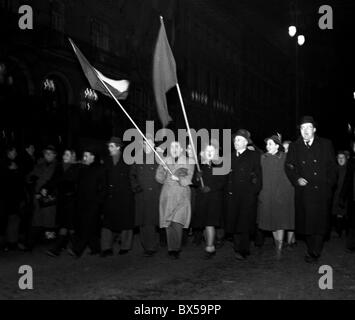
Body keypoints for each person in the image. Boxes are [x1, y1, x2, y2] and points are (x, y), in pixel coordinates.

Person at [285, 116, 337, 263]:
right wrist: (296, 179)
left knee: (319, 224)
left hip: (321, 191)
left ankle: (315, 251)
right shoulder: (295, 146)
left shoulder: (326, 144)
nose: (305, 131)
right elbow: (289, 166)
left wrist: (328, 185)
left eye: (308, 127)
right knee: (307, 224)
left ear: (314, 129)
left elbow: (333, 168)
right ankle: (311, 248)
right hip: (304, 192)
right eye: (302, 128)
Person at [225, 129, 262, 260]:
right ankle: (236, 246)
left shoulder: (254, 156)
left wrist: (253, 192)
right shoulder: (229, 156)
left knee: (245, 223)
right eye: (235, 140)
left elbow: (258, 176)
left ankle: (244, 249)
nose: (236, 142)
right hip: (232, 195)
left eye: (239, 140)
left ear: (246, 142)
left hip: (247, 196)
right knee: (234, 221)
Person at [257, 135, 295, 259]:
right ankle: (277, 243)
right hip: (267, 194)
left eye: (270, 144)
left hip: (282, 193)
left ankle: (279, 249)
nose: (268, 146)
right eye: (267, 144)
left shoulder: (285, 158)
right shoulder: (263, 158)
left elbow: (291, 174)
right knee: (271, 222)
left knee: (281, 221)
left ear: (277, 146)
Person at [155, 141, 195, 259]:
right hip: (167, 194)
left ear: (181, 150)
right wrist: (162, 171)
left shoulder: (188, 161)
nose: (174, 149)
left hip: (181, 194)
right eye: (172, 147)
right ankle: (171, 248)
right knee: (169, 223)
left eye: (177, 147)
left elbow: (189, 179)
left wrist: (178, 178)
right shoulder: (165, 160)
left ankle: (176, 248)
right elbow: (159, 179)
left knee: (178, 221)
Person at [101, 137, 134, 257]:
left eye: (111, 146)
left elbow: (132, 177)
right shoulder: (106, 160)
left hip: (124, 195)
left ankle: (125, 246)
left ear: (118, 147)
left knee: (126, 221)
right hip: (109, 196)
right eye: (109, 146)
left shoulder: (128, 160)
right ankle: (106, 247)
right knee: (107, 223)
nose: (109, 148)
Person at [192, 143, 227, 258]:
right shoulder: (200, 165)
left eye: (212, 150)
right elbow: (195, 181)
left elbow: (222, 182)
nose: (209, 153)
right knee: (204, 223)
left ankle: (210, 247)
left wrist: (211, 188)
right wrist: (197, 177)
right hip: (202, 198)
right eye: (207, 150)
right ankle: (209, 243)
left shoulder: (219, 165)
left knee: (209, 223)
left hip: (214, 199)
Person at [129, 137, 161, 257]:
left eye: (149, 143)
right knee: (142, 221)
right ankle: (145, 244)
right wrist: (136, 187)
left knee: (152, 221)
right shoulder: (137, 158)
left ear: (153, 145)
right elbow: (132, 175)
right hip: (141, 195)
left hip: (154, 194)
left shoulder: (159, 158)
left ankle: (151, 246)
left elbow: (164, 175)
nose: (146, 145)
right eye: (144, 143)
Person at [69, 148, 103, 257]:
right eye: (83, 156)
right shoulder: (82, 169)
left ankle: (77, 250)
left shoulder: (99, 169)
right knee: (89, 227)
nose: (84, 158)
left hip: (94, 204)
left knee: (87, 227)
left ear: (93, 157)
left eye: (86, 156)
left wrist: (98, 202)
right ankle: (96, 248)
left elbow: (104, 188)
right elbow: (73, 180)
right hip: (82, 203)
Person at [46, 149, 79, 257]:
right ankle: (73, 247)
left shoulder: (76, 168)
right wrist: (45, 188)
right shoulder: (59, 167)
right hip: (62, 200)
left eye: (67, 154)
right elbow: (53, 180)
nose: (64, 155)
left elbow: (73, 181)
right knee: (66, 224)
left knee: (69, 225)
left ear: (72, 156)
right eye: (64, 153)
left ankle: (59, 248)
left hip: (72, 200)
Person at [26, 145, 58, 250]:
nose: (47, 155)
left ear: (54, 154)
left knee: (49, 221)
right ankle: (31, 243)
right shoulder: (40, 165)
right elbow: (29, 177)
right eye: (45, 153)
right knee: (36, 220)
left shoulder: (58, 166)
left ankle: (50, 243)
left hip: (49, 198)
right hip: (37, 197)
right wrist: (31, 178)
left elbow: (57, 182)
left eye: (50, 153)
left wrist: (48, 190)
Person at [0, 146, 26, 251]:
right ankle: (9, 243)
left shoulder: (14, 163)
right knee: (10, 219)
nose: (16, 153)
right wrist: (14, 171)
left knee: (12, 219)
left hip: (12, 197)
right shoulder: (5, 164)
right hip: (9, 197)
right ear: (9, 152)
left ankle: (11, 242)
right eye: (14, 152)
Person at [340, 141, 355, 252]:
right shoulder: (352, 162)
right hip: (353, 197)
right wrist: (342, 195)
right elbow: (348, 180)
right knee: (352, 222)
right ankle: (351, 245)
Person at [331, 151, 348, 238]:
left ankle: (344, 231)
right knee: (337, 213)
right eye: (339, 158)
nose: (341, 159)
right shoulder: (335, 169)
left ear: (346, 159)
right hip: (336, 195)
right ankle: (339, 231)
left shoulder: (349, 169)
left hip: (346, 196)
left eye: (342, 158)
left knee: (344, 213)